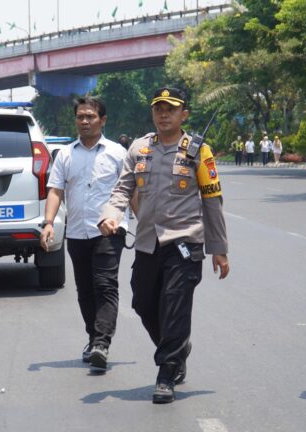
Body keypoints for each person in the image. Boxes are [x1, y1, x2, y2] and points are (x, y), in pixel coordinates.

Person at [98, 87, 230, 404]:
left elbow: (213, 202)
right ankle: (177, 346)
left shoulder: (199, 151)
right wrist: (111, 215)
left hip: (185, 242)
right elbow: (121, 190)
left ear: (184, 113)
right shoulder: (139, 149)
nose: (164, 114)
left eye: (171, 109)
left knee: (175, 305)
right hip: (147, 242)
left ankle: (166, 373)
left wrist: (219, 249)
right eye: (159, 108)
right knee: (142, 302)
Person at [41, 96, 129, 371]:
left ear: (102, 120)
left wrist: (148, 224)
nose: (85, 121)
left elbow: (131, 190)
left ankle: (102, 343)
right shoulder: (65, 154)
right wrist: (48, 223)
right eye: (80, 116)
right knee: (85, 290)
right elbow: (55, 189)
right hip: (77, 232)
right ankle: (93, 339)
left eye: (90, 116)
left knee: (104, 284)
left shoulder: (117, 153)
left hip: (110, 230)